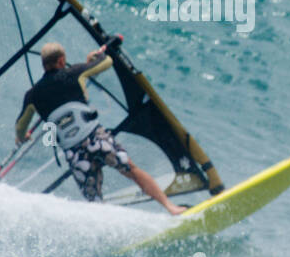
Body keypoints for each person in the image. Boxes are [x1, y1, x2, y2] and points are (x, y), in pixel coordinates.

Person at [14, 41, 187, 215]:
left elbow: (20, 127)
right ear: (61, 60)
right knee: (132, 170)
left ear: (44, 64)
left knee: (95, 202)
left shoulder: (32, 95)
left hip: (74, 154)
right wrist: (95, 57)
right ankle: (170, 208)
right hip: (96, 139)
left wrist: (23, 136)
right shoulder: (74, 72)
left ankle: (111, 232)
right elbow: (107, 62)